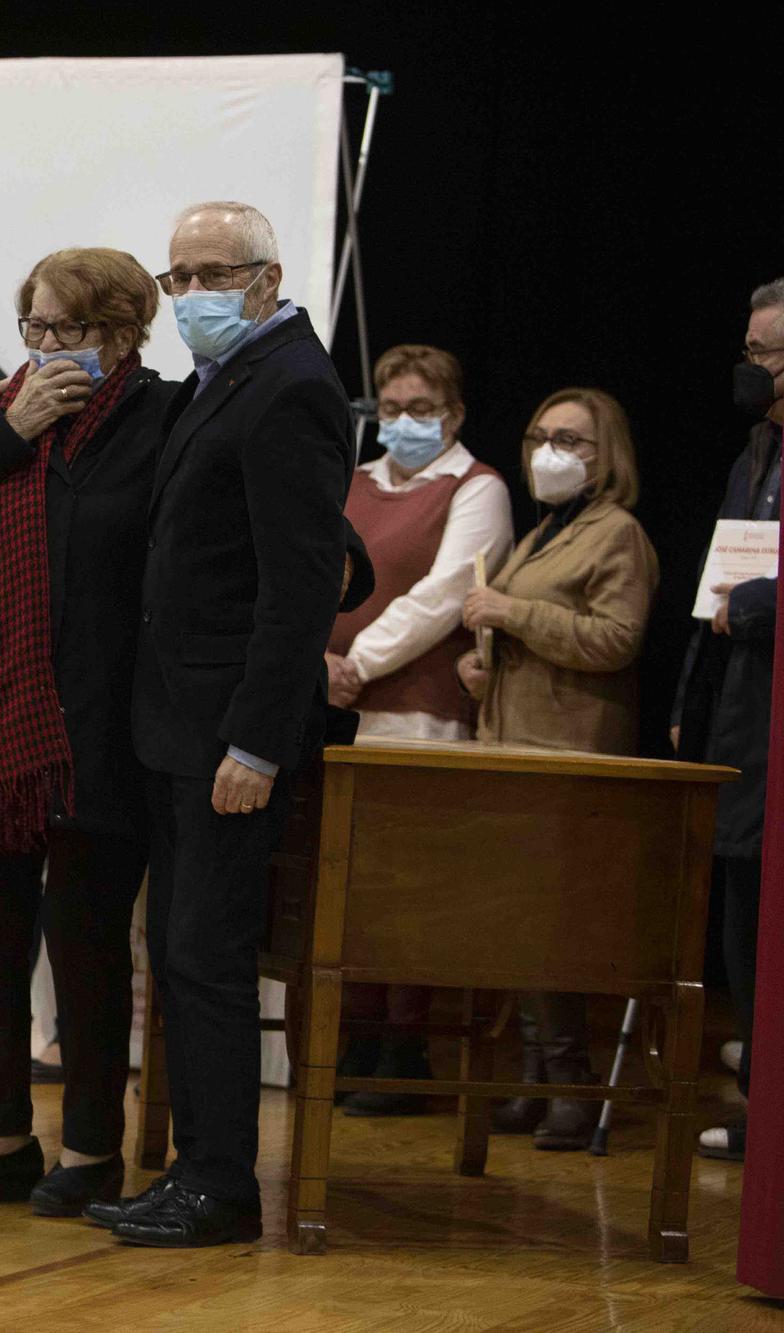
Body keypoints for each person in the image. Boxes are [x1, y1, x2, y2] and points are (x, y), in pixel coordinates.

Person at [89, 202, 350, 1248]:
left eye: (211, 271)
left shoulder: (287, 386)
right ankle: (195, 1170)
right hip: (174, 722)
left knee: (205, 954)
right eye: (177, 273)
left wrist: (254, 740)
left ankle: (219, 1184)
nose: (189, 290)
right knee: (185, 957)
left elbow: (296, 592)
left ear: (266, 276)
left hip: (224, 736)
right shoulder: (224, 379)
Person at [0, 247, 174, 1216]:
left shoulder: (161, 418)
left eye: (70, 330)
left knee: (87, 943)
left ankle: (92, 1150)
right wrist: (1, 434)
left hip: (97, 727)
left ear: (119, 334)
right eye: (36, 327)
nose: (49, 347)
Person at [456, 387, 658, 1150]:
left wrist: (511, 617)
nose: (550, 450)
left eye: (570, 439)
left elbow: (616, 640)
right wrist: (490, 665)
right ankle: (537, 1074)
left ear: (607, 456)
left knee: (556, 929)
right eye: (541, 434)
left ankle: (572, 1085)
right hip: (513, 747)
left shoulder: (618, 535)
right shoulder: (547, 529)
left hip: (571, 754)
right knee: (521, 924)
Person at [324, 345, 513, 1115]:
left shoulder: (478, 488)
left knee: (411, 885)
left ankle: (406, 1049)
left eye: (421, 409)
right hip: (338, 704)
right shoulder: (353, 481)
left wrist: (355, 661)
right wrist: (318, 662)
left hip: (420, 706)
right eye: (392, 407)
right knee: (348, 880)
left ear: (455, 413)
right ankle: (356, 1037)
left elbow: (443, 595)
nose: (404, 422)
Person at [672, 278, 782, 1163]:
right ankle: (763, 1106)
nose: (755, 370)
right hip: (742, 722)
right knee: (743, 917)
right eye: (752, 351)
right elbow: (718, 579)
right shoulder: (755, 453)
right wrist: (684, 706)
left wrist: (757, 604)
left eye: (770, 354)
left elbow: (749, 593)